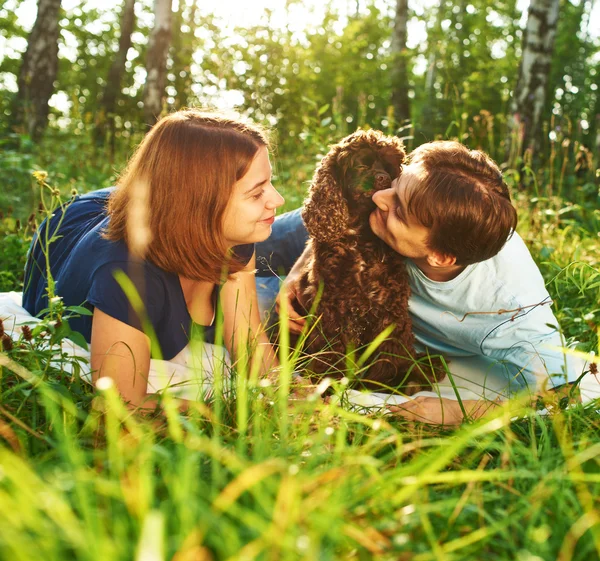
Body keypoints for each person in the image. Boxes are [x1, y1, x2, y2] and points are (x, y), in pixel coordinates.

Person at [255, 140, 593, 425]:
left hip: (358, 286)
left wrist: (465, 412)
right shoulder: (418, 195)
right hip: (336, 236)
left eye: (399, 210)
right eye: (396, 184)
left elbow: (567, 396)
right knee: (224, 238)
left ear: (441, 257)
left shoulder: (511, 307)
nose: (380, 197)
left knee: (229, 301)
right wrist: (301, 275)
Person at [23, 110, 285, 410]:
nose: (277, 199)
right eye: (256, 193)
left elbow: (248, 342)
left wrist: (296, 399)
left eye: (269, 183)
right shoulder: (127, 272)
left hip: (161, 205)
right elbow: (120, 406)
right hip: (72, 227)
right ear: (201, 203)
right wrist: (239, 411)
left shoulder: (233, 234)